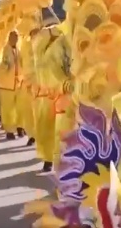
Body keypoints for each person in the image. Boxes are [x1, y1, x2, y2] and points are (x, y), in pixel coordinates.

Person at [32, 19, 64, 173]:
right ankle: (48, 159)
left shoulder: (62, 49)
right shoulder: (39, 52)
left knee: (60, 131)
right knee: (45, 128)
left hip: (61, 95)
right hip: (45, 96)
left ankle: (58, 160)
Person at [42, 26, 76, 169]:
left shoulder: (95, 41)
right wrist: (68, 85)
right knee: (64, 143)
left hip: (91, 108)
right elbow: (50, 79)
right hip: (66, 105)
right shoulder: (57, 48)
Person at [0, 31, 22, 140]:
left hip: (17, 84)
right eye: (13, 36)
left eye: (16, 36)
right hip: (6, 85)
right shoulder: (3, 50)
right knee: (7, 109)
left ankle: (19, 127)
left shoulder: (18, 50)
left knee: (19, 108)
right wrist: (5, 67)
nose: (15, 39)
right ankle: (9, 131)